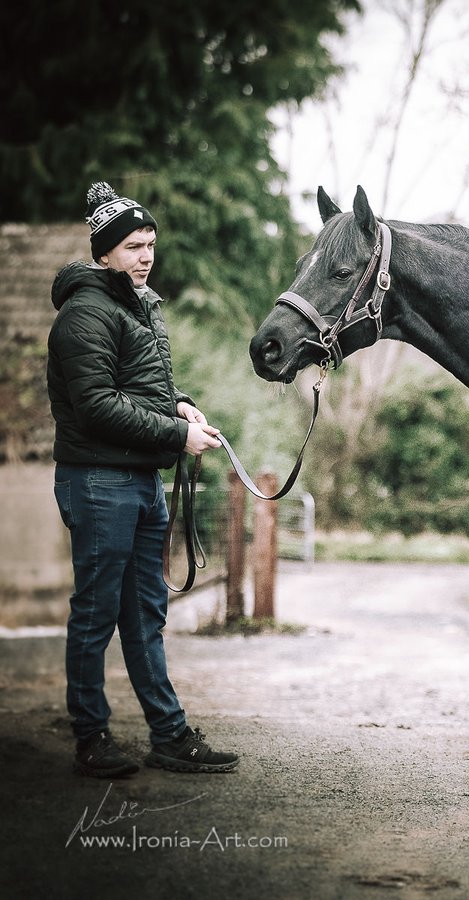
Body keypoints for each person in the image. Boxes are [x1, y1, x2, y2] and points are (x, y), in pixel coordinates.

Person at [47, 181, 239, 777]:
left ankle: (169, 735)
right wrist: (176, 437)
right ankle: (90, 736)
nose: (146, 255)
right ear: (104, 252)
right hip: (99, 483)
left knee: (145, 614)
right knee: (96, 614)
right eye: (133, 246)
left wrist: (177, 405)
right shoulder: (86, 313)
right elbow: (97, 405)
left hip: (139, 479)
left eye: (150, 244)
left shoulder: (140, 306)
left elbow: (141, 387)